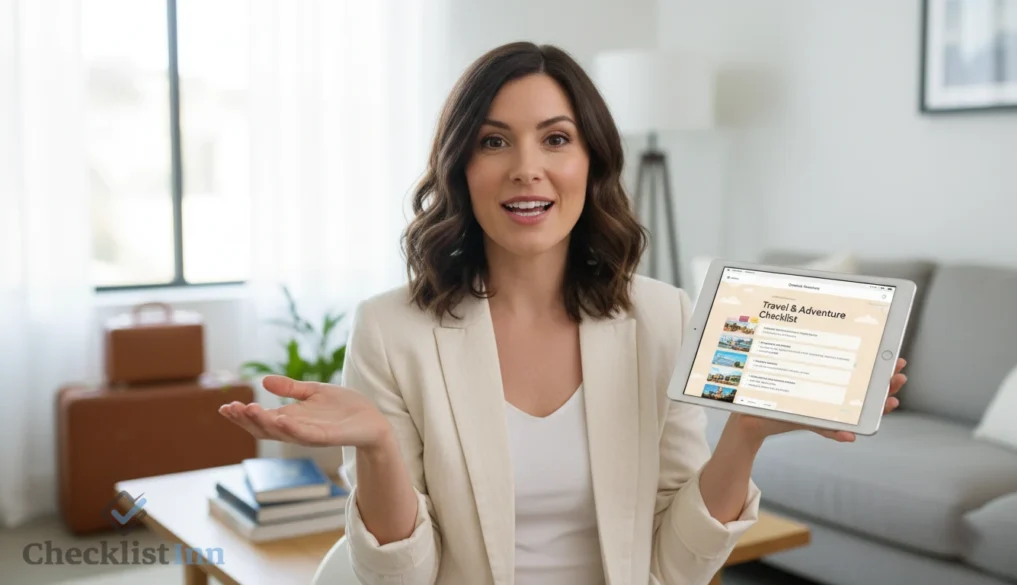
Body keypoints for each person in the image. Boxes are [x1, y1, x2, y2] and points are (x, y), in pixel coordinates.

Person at [219, 42, 907, 585]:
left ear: (593, 161)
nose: (527, 168)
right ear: (460, 167)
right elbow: (404, 577)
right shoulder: (392, 331)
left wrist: (746, 434)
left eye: (555, 138)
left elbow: (676, 568)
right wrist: (377, 450)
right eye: (493, 141)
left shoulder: (664, 317)